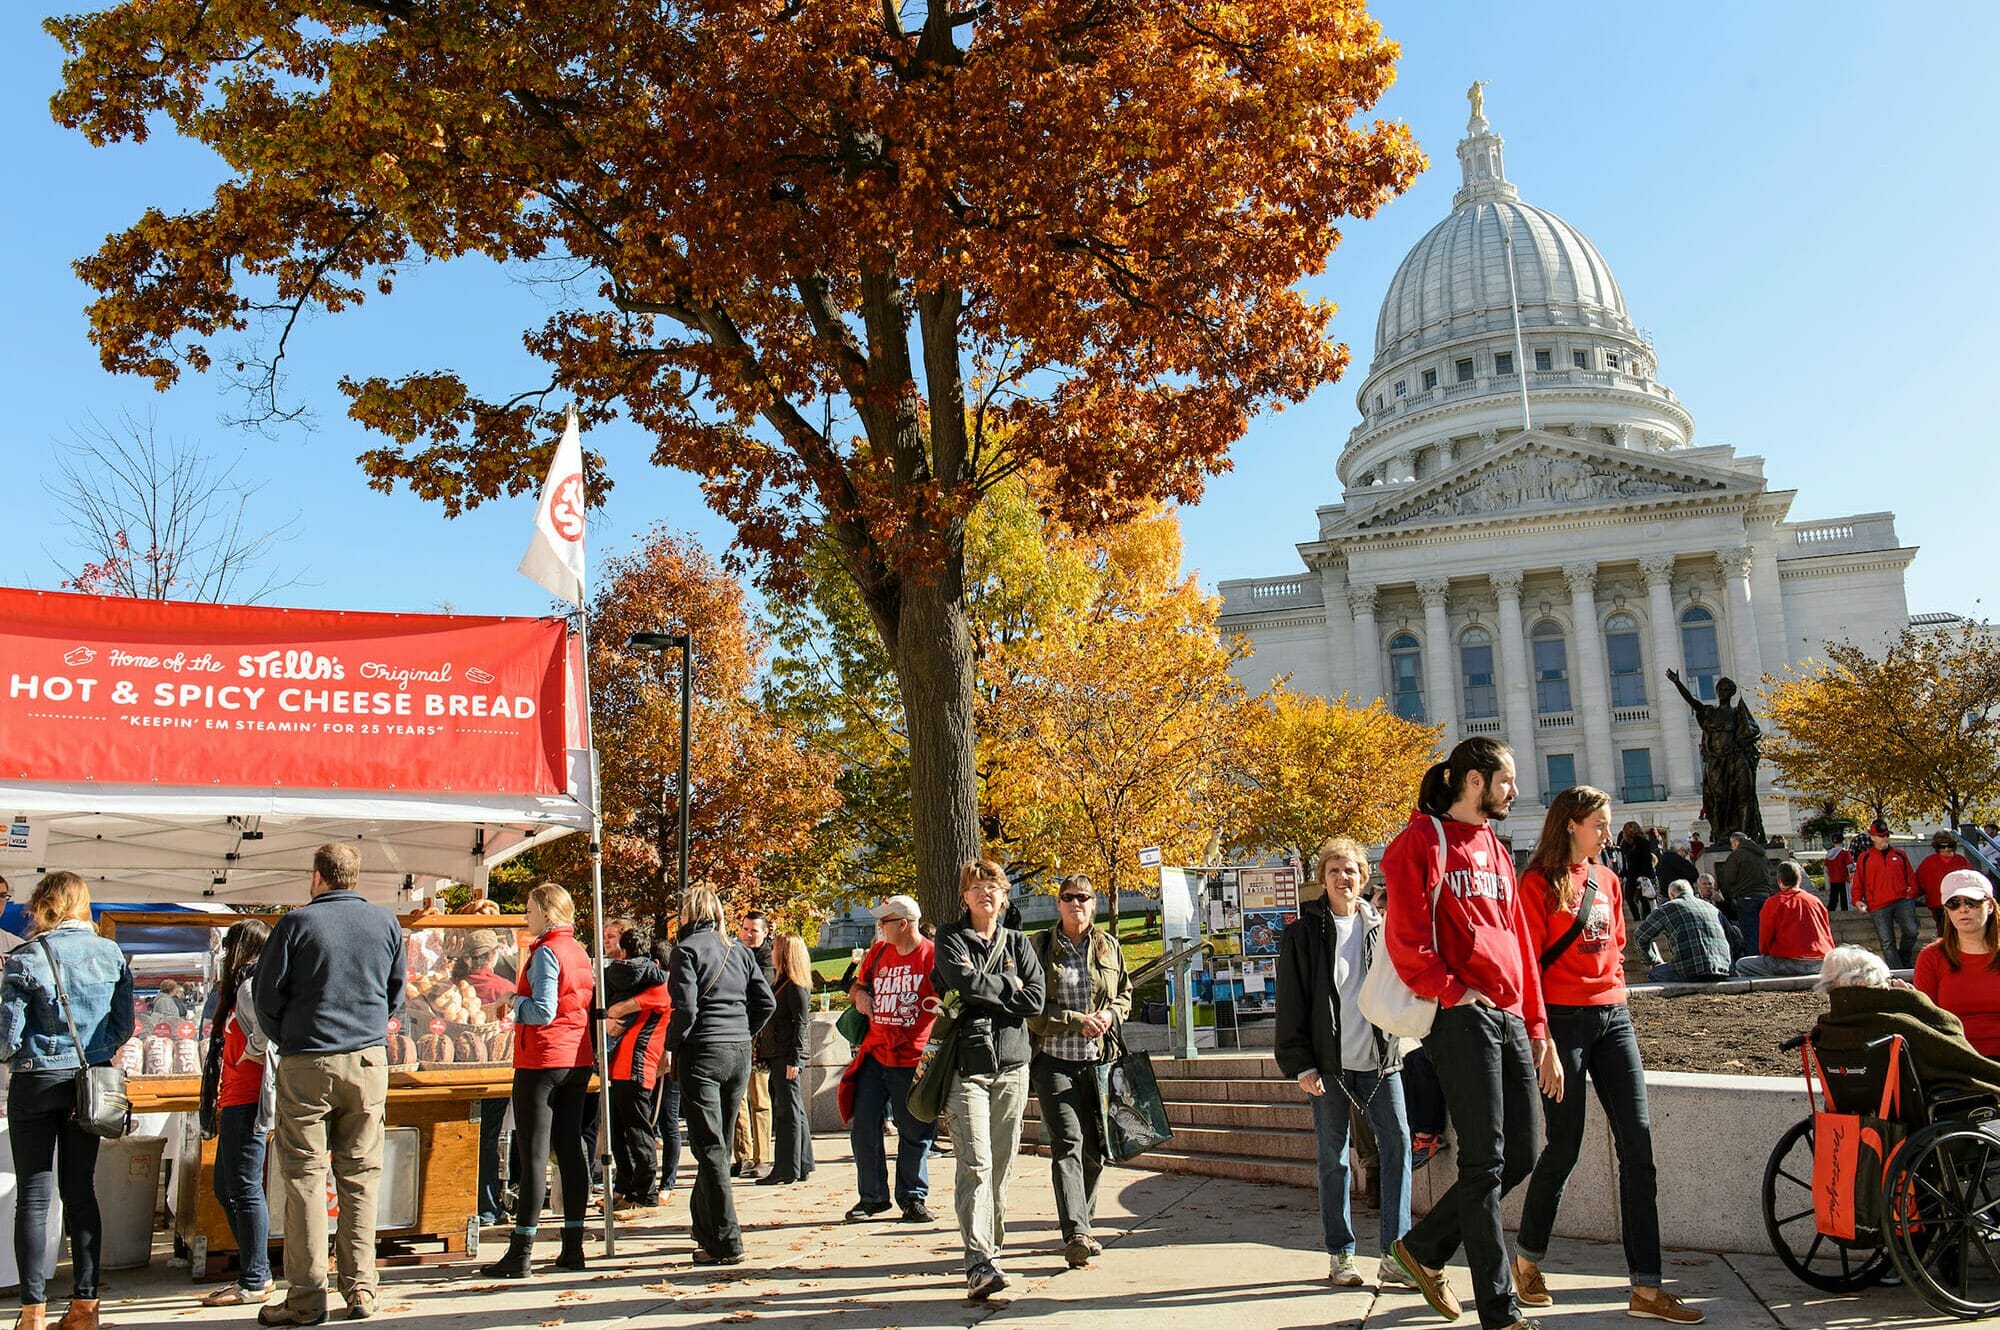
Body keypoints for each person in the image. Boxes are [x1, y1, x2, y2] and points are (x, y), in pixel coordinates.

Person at [1512, 787, 1704, 1325]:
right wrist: (1541, 1040)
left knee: (1638, 1150)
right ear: (1570, 824)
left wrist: (1613, 993)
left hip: (1612, 1017)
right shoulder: (1536, 884)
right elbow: (1526, 966)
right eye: (1598, 824)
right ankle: (1527, 1259)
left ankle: (1646, 1288)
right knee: (1564, 1147)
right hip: (1562, 1021)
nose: (1606, 833)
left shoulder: (1608, 880)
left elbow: (1617, 946)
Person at [1382, 737, 1553, 1330]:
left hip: (1507, 1013)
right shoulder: (1419, 843)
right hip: (1459, 1015)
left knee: (1525, 1150)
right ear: (1474, 781)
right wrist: (1456, 991)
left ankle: (1423, 1250)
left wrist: (1538, 1027)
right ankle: (1500, 1311)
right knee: (1483, 1162)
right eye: (1506, 780)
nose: (1514, 791)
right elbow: (1406, 942)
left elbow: (1521, 946)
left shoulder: (1498, 850)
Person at [253, 843, 403, 1326]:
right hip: (367, 1060)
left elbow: (265, 997)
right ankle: (361, 1289)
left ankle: (306, 1298)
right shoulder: (385, 923)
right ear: (353, 877)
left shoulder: (296, 924)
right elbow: (395, 995)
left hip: (308, 1061)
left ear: (317, 876)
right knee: (360, 1178)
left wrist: (291, 1038)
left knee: (304, 1180)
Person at [1274, 841, 1415, 1291]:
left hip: (1379, 1062)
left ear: (1364, 876)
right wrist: (1301, 1065)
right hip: (1329, 1067)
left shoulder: (1381, 926)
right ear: (1322, 877)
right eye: (1334, 869)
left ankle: (1396, 1254)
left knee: (1399, 1146)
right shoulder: (1303, 934)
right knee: (1333, 1159)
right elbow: (1292, 1005)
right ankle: (1341, 1254)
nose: (1343, 877)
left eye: (1351, 869)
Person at [0, 873, 135, 1330]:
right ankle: (84, 1309)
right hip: (89, 1084)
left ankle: (32, 1313)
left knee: (34, 1199)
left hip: (36, 1081)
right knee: (80, 1192)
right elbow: (122, 1027)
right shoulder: (110, 953)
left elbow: (6, 1038)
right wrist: (95, 1054)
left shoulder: (26, 958)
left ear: (42, 905)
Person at [933, 860, 1046, 1302]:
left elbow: (1035, 998)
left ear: (1004, 896)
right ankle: (977, 1260)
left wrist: (989, 986)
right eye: (975, 887)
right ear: (964, 896)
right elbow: (961, 983)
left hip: (1014, 1066)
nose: (984, 893)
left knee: (1001, 1167)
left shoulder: (1020, 942)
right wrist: (1008, 985)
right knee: (976, 1164)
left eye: (992, 886)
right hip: (968, 1067)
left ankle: (992, 1252)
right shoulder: (950, 937)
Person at [478, 883, 597, 1277]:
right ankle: (573, 1246)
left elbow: (544, 1010)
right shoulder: (578, 950)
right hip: (576, 1059)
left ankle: (521, 1251)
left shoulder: (546, 951)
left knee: (532, 1156)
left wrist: (511, 1002)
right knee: (569, 1149)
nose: (525, 915)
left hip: (542, 1060)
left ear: (546, 913)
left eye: (529, 908)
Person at [1028, 874, 1135, 1271]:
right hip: (1054, 1060)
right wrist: (1075, 1020)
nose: (1077, 904)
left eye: (1084, 898)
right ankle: (1074, 1231)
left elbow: (1125, 994)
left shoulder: (1109, 946)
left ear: (1094, 904)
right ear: (1058, 904)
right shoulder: (1039, 947)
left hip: (1100, 1061)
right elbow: (1032, 1008)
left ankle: (1083, 1227)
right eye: (1069, 898)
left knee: (1095, 1149)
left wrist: (1110, 1013)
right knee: (1068, 1142)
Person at [666, 886, 775, 1266]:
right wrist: (745, 1031)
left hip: (704, 1052)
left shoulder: (687, 951)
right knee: (720, 1144)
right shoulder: (740, 951)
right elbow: (767, 1001)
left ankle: (727, 1239)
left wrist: (671, 1046)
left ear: (688, 912)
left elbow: (685, 1010)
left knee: (710, 1149)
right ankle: (706, 1227)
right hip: (738, 1050)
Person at [846, 894, 940, 1224]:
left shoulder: (931, 956)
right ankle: (872, 1197)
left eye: (885, 921)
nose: (879, 926)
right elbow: (857, 987)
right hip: (875, 1053)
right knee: (865, 1126)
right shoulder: (878, 952)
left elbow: (949, 1003)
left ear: (904, 924)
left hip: (912, 1058)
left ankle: (913, 1197)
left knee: (914, 1129)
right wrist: (861, 998)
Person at [199, 920, 277, 1307]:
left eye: (228, 946)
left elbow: (264, 1033)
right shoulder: (241, 987)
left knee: (244, 1188)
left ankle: (255, 1277)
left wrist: (249, 1053)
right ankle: (255, 1269)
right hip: (234, 1097)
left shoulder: (249, 985)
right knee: (226, 1187)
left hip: (247, 1098)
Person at [1813, 945, 2000, 1101]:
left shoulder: (1826, 1027)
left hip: (1860, 1107)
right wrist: (1914, 999)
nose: (1888, 985)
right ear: (1864, 983)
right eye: (1885, 980)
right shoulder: (1897, 1024)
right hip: (1923, 1103)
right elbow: (1952, 1036)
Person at [601, 922, 673, 1214]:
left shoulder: (660, 990)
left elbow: (618, 1010)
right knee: (619, 1133)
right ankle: (629, 1187)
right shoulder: (652, 985)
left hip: (639, 1064)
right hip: (622, 1065)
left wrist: (609, 1014)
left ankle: (646, 1192)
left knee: (638, 1132)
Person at [457, 929, 516, 1228]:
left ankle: (463, 1204)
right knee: (488, 1140)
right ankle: (487, 1207)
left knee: (461, 1139)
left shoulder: (455, 986)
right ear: (492, 956)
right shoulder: (505, 987)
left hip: (455, 1073)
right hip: (495, 1073)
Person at [1914, 870, 2000, 1058]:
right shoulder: (1931, 957)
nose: (1963, 909)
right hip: (1956, 1062)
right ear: (1946, 910)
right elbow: (1925, 1019)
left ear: (1990, 906)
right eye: (1954, 903)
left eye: (1972, 902)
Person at [756, 935, 814, 1186]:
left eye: (776, 947)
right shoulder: (782, 982)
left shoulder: (795, 986)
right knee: (793, 1109)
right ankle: (800, 1163)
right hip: (778, 1051)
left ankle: (786, 1168)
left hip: (786, 1054)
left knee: (786, 1112)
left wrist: (795, 1059)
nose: (771, 951)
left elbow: (802, 1023)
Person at [1730, 861, 1834, 979]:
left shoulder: (1774, 902)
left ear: (1779, 880)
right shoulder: (1815, 901)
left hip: (1788, 962)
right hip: (1821, 962)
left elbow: (1765, 940)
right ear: (1799, 879)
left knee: (1742, 964)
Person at [733, 910, 777, 1180]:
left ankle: (763, 1157)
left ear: (765, 933)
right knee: (737, 1099)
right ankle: (742, 1155)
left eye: (754, 931)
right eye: (745, 929)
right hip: (736, 1034)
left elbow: (762, 997)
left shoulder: (767, 960)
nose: (748, 935)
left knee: (759, 1099)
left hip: (758, 1038)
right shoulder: (736, 953)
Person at [1631, 882, 1733, 984]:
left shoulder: (1667, 908)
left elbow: (1640, 935)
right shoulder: (1712, 908)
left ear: (1671, 895)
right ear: (1692, 892)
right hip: (1723, 970)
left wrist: (1652, 960)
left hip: (1689, 971)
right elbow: (1734, 938)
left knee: (1656, 973)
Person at [1853, 819, 1921, 970]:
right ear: (1872, 837)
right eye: (1880, 836)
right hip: (1878, 904)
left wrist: (1911, 894)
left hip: (1902, 899)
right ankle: (1897, 970)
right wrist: (1857, 899)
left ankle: (1904, 957)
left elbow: (1910, 876)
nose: (1884, 838)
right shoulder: (1864, 858)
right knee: (1886, 941)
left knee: (1911, 930)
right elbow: (1858, 882)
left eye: (1886, 835)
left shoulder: (1900, 854)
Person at [1716, 832, 1772, 957]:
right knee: (1765, 931)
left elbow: (1729, 878)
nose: (1732, 847)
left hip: (1746, 898)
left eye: (1732, 844)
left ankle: (1754, 962)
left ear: (1736, 842)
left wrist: (1728, 896)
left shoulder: (1736, 855)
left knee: (1750, 934)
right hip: (1764, 896)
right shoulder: (1761, 854)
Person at [1917, 831, 1974, 939]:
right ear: (1937, 847)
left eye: (1950, 846)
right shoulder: (1929, 862)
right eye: (1942, 847)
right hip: (1939, 904)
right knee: (1944, 933)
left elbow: (1972, 880)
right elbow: (1920, 881)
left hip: (1959, 903)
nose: (1947, 849)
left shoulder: (1961, 861)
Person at [1616, 823, 1660, 921]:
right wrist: (1622, 874)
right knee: (1629, 898)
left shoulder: (1643, 842)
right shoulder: (1625, 844)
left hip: (1642, 875)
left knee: (1644, 898)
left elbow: (1647, 860)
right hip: (1631, 875)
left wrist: (1645, 876)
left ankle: (1646, 919)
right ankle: (1637, 918)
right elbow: (1625, 861)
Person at [1654, 843, 1699, 908]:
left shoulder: (1662, 859)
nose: (1686, 855)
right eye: (1686, 852)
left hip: (1666, 894)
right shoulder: (1679, 860)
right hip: (1680, 894)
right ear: (1680, 850)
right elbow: (1694, 875)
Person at [1823, 839, 1856, 913]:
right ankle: (1845, 914)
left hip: (1833, 880)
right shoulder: (1845, 853)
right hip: (1843, 879)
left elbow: (1826, 869)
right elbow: (1850, 866)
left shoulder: (1829, 854)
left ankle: (1829, 913)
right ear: (1842, 841)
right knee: (1845, 899)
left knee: (1833, 899)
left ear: (1833, 842)